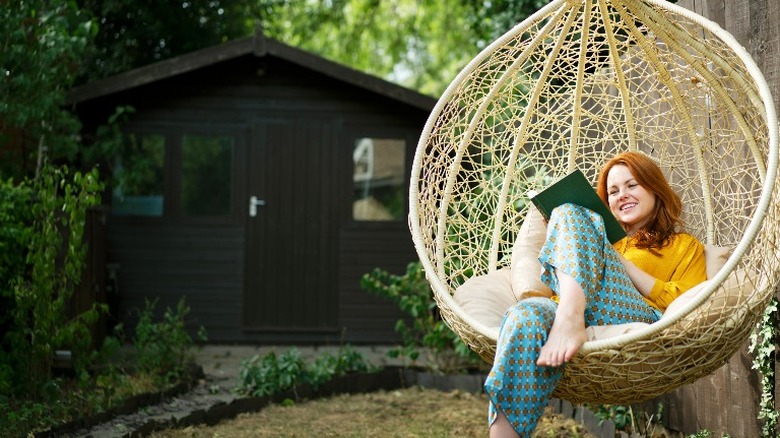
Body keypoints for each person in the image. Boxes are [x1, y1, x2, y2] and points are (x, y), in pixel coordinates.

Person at [486, 151, 707, 437]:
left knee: (568, 211)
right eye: (613, 191)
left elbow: (686, 299)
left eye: (632, 185)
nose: (621, 195)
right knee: (523, 316)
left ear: (654, 188)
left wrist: (619, 261)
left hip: (633, 312)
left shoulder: (684, 246)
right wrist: (570, 239)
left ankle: (570, 318)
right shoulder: (593, 234)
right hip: (573, 305)